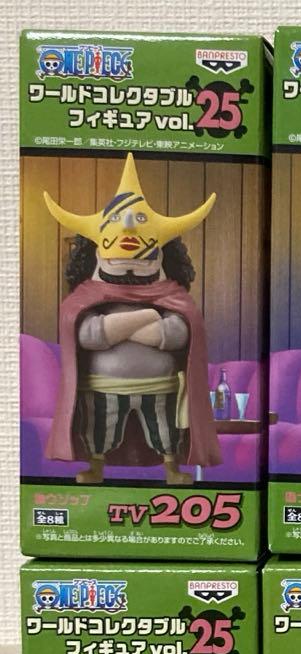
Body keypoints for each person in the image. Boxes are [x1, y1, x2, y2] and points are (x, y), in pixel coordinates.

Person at [43, 153, 220, 485]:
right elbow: (89, 335)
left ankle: (171, 468)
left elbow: (178, 333)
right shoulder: (87, 296)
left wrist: (119, 329)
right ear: (98, 255)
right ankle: (96, 466)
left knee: (164, 431)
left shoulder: (172, 295)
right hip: (103, 387)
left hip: (160, 387)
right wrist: (147, 315)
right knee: (100, 429)